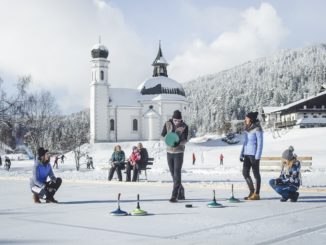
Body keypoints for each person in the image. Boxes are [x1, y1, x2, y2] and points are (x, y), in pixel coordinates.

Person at [161, 110, 189, 203]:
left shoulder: (184, 126)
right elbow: (162, 135)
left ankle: (174, 195)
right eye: (175, 120)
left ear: (181, 120)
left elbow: (185, 140)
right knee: (173, 174)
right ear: (172, 119)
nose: (176, 122)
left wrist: (178, 142)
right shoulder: (167, 124)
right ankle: (181, 189)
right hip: (169, 152)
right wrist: (167, 139)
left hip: (179, 152)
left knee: (177, 173)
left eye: (178, 120)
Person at [240, 111, 263, 200]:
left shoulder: (257, 129)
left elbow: (260, 143)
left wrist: (258, 156)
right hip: (246, 154)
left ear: (251, 119)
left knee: (256, 174)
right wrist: (241, 153)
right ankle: (251, 191)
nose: (245, 119)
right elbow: (245, 143)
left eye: (247, 118)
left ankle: (256, 194)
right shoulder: (247, 128)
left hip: (254, 155)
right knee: (245, 172)